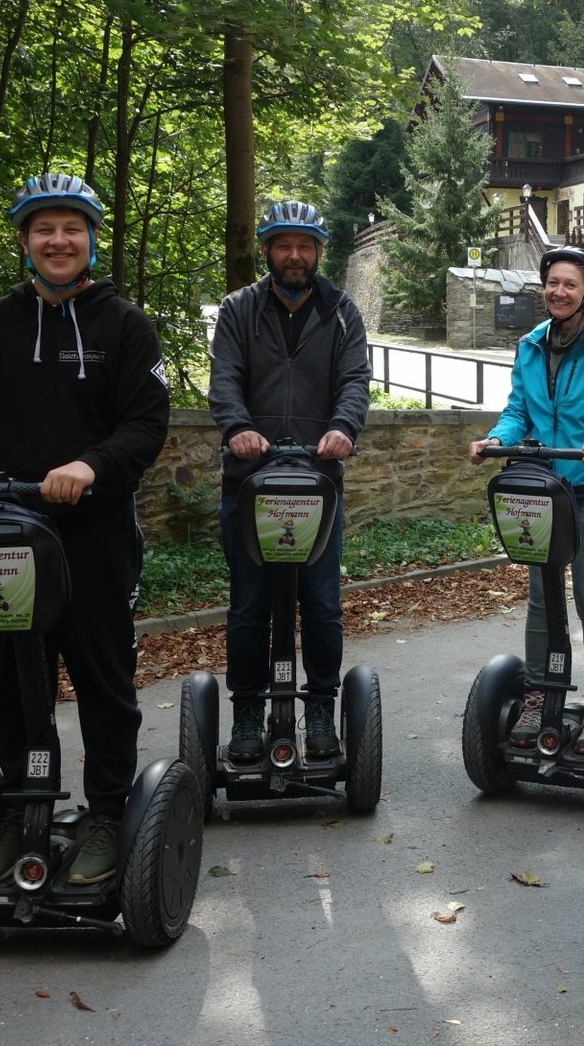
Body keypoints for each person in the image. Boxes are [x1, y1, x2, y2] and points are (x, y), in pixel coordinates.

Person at [0, 173, 171, 887]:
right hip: (2, 533)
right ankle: (24, 806)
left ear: (91, 239)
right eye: (44, 229)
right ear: (26, 241)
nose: (58, 240)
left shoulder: (124, 326)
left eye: (71, 228)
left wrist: (91, 465)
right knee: (15, 683)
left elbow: (145, 425)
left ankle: (107, 813)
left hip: (94, 535)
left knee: (103, 681)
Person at [209, 199, 371, 764]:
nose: (295, 255)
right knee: (249, 608)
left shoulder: (342, 312)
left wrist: (343, 428)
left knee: (321, 604)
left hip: (317, 484)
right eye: (284, 245)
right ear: (266, 251)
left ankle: (321, 706)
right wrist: (238, 428)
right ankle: (248, 712)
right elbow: (224, 379)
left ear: (319, 252)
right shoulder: (239, 310)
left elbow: (355, 380)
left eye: (305, 245)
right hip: (249, 483)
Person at [468, 246, 584, 753]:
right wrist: (498, 439)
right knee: (541, 598)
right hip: (541, 489)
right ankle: (539, 692)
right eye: (552, 283)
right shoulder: (530, 345)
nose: (559, 292)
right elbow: (519, 409)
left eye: (570, 284)